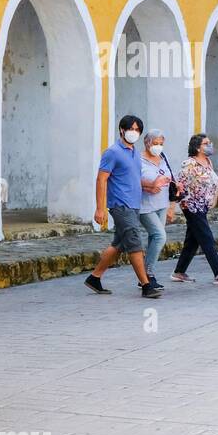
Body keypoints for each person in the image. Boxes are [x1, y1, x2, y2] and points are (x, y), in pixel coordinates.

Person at [83, 114, 162, 298]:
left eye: (137, 130)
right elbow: (101, 179)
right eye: (130, 129)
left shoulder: (135, 152)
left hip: (134, 205)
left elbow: (133, 178)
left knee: (119, 244)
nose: (133, 132)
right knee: (134, 242)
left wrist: (152, 185)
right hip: (121, 205)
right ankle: (146, 284)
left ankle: (95, 277)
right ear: (122, 130)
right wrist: (100, 208)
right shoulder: (113, 152)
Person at [171, 133, 218, 285]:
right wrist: (172, 207)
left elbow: (213, 185)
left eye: (210, 142)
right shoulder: (189, 164)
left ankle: (179, 272)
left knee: (192, 241)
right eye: (206, 143)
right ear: (197, 147)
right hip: (191, 206)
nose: (210, 145)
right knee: (207, 238)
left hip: (203, 206)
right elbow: (179, 186)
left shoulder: (208, 162)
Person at [138, 128, 177, 287]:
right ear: (147, 143)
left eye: (161, 143)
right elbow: (133, 180)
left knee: (154, 238)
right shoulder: (138, 159)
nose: (158, 146)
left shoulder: (162, 156)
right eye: (155, 143)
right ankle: (148, 274)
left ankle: (145, 277)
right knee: (160, 236)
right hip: (145, 205)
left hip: (162, 204)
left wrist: (172, 205)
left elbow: (170, 177)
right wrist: (148, 186)